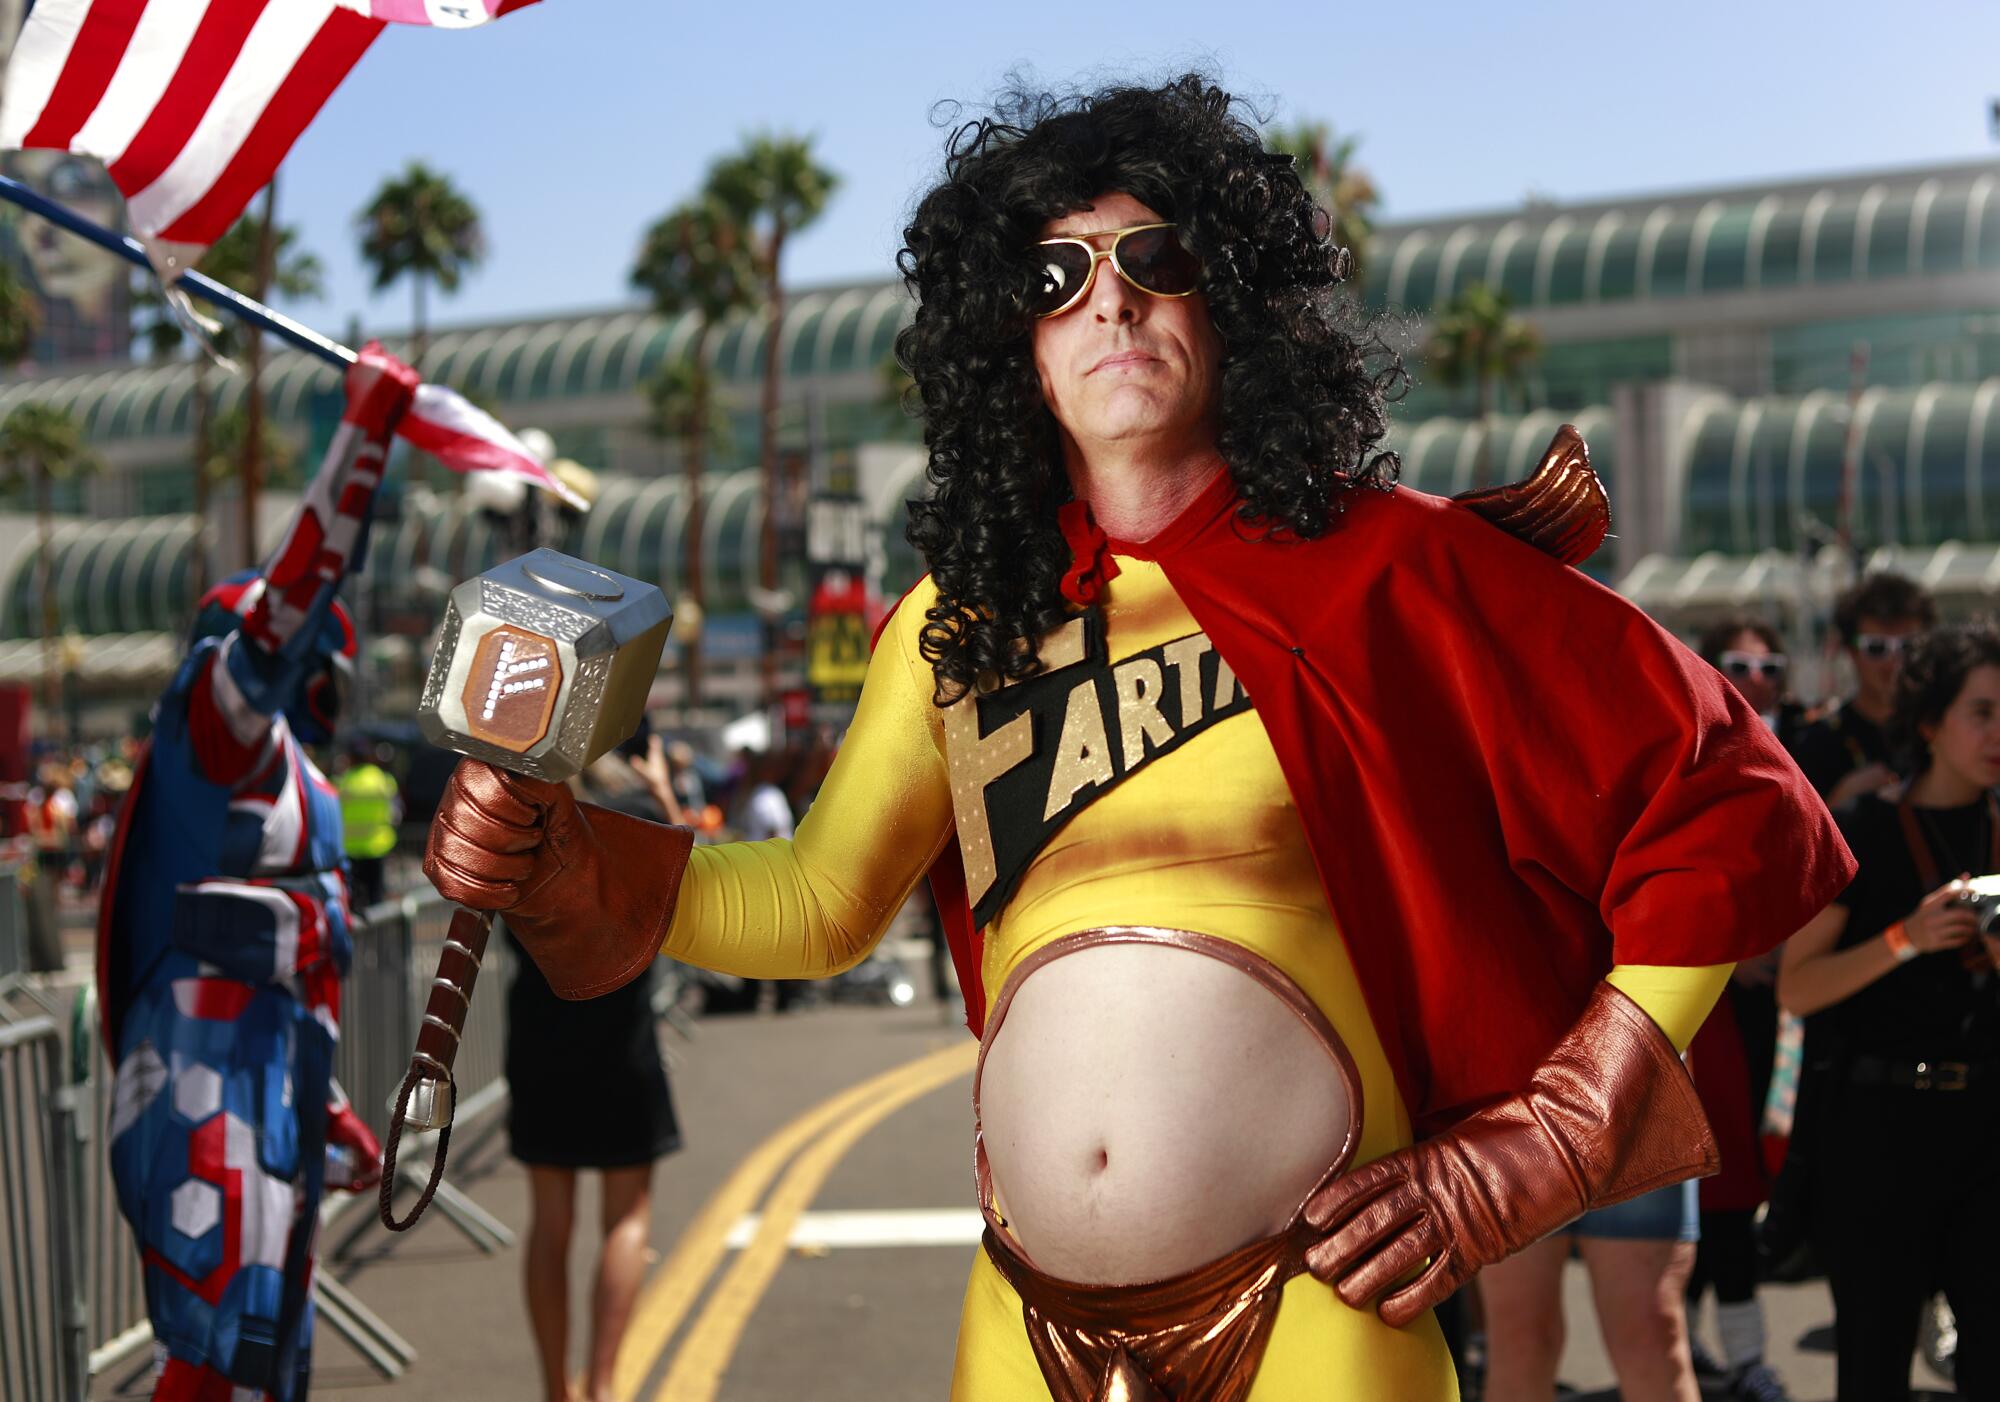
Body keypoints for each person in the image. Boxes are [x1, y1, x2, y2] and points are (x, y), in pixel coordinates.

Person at [424, 76, 1850, 1400]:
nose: (1109, 304)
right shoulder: (955, 623)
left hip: (1319, 1299)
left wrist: (1556, 1131)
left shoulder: (1383, 566)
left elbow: (1727, 790)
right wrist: (566, 864)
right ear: (1017, 346)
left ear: (1234, 305)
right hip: (1022, 1313)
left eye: (1156, 261)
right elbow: (814, 901)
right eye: (1056, 278)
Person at [92, 349, 414, 1400]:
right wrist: (361, 440)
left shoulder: (291, 779)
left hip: (269, 1086)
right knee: (214, 1352)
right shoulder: (213, 730)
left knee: (268, 1355)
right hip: (201, 1090)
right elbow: (290, 601)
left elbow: (302, 959)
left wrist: (324, 1113)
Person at [1777, 620, 2000, 1402]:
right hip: (1877, 1136)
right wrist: (1906, 938)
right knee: (1873, 1367)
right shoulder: (1866, 827)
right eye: (1983, 712)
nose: (1998, 733)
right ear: (1932, 723)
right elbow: (1795, 987)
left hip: (1987, 1130)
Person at [505, 750, 682, 1402]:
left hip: (540, 1031)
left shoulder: (518, 814)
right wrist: (663, 794)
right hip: (620, 1034)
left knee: (550, 1223)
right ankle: (603, 1386)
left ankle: (556, 1389)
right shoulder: (630, 812)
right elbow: (691, 886)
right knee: (626, 1218)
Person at [1791, 572, 1936, 804]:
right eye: (1876, 648)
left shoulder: (1946, 731)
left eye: (1909, 646)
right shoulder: (1818, 742)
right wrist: (1840, 802)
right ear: (1851, 652)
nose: (1894, 661)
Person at [336, 738, 402, 912]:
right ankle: (379, 937)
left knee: (353, 901)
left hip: (351, 850)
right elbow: (396, 812)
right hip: (378, 847)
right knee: (376, 897)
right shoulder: (383, 780)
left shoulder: (344, 782)